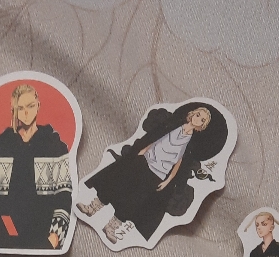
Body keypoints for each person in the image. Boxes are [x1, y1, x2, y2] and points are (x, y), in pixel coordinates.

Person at [77, 103, 228, 245]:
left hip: (159, 173)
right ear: (192, 114)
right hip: (145, 160)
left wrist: (168, 180)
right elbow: (156, 138)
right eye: (198, 115)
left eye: (202, 120)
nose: (198, 119)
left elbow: (179, 162)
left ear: (202, 125)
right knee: (120, 183)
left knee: (134, 199)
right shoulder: (173, 125)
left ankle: (111, 227)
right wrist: (142, 152)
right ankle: (93, 207)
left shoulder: (190, 142)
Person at [0, 84, 72, 252]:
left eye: (30, 106)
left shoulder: (55, 147)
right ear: (14, 111)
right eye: (20, 108)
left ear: (38, 106)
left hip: (42, 240)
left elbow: (64, 196)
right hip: (0, 239)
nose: (26, 112)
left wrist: (54, 238)